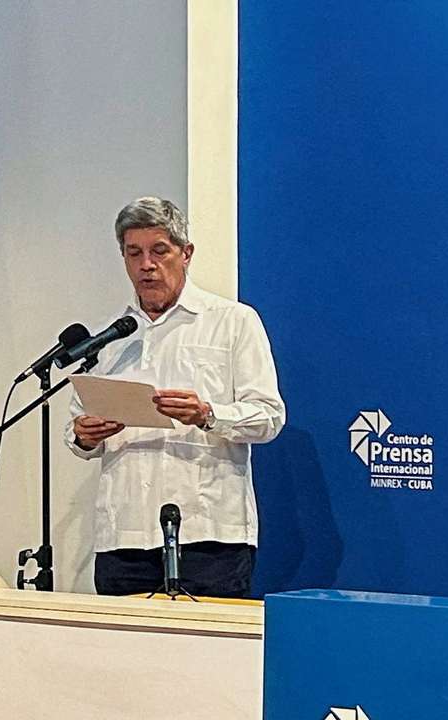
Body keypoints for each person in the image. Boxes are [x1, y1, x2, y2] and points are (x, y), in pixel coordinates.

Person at [66, 196, 286, 597]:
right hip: (124, 536)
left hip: (210, 533)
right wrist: (85, 434)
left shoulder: (232, 322)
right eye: (134, 253)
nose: (146, 265)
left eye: (159, 251)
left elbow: (269, 416)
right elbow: (77, 432)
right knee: (123, 657)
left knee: (209, 657)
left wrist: (207, 414)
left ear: (186, 254)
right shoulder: (111, 338)